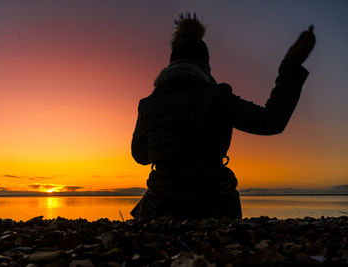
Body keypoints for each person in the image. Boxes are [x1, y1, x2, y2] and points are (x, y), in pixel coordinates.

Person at [130, 13, 316, 219]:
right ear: (205, 68)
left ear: (170, 65)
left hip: (160, 208)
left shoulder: (148, 105)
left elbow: (140, 156)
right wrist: (291, 66)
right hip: (214, 206)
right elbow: (270, 121)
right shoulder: (218, 97)